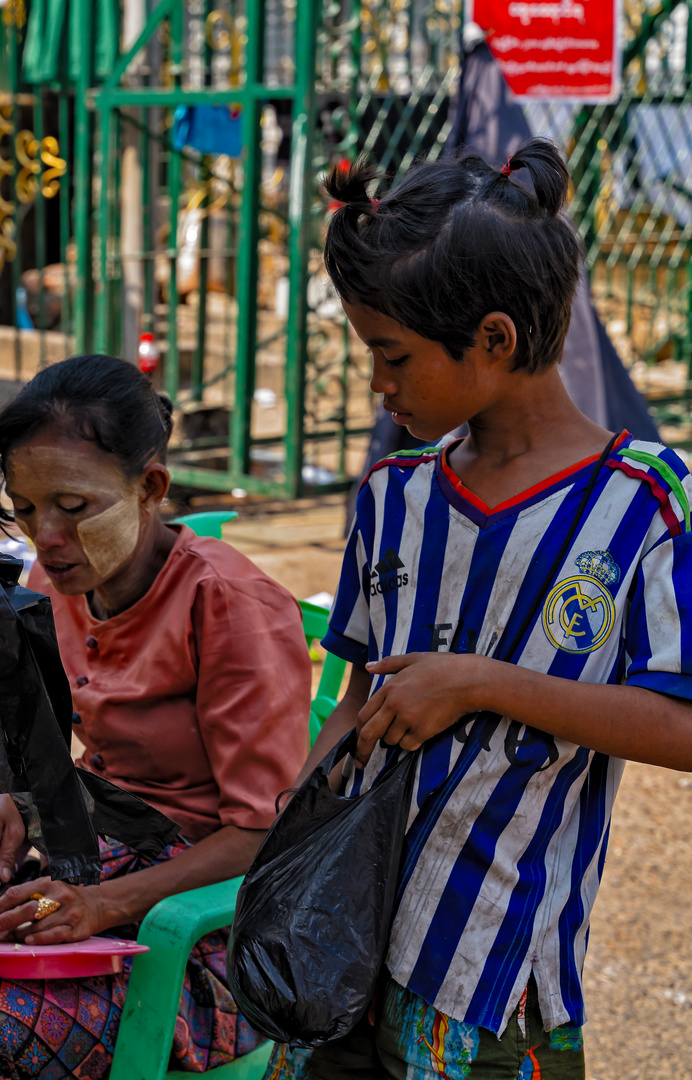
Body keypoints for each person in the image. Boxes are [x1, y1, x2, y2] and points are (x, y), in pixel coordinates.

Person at [271, 139, 692, 1080]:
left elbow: (683, 725)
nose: (378, 385)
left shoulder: (649, 504)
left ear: (494, 341)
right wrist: (289, 832)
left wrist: (482, 685)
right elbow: (356, 701)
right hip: (345, 940)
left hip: (492, 976)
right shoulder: (395, 496)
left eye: (393, 357)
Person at [0, 353, 311, 1078]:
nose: (45, 535)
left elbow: (264, 835)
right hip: (87, 856)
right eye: (24, 509)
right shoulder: (47, 586)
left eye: (74, 507)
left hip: (204, 928)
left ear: (150, 488)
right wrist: (4, 802)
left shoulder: (229, 607)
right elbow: (6, 757)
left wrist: (104, 904)